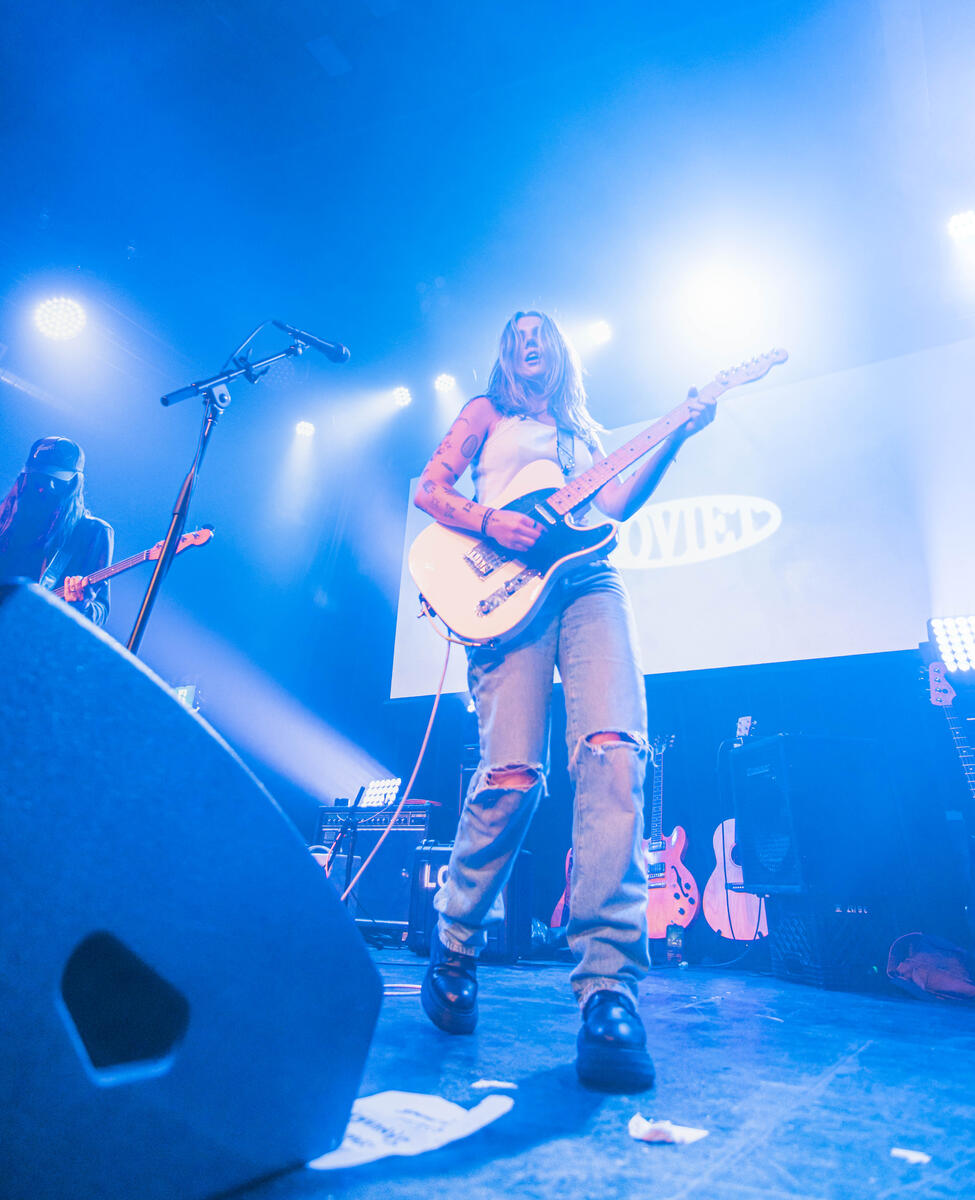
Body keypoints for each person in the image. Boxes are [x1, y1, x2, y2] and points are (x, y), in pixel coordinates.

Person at [413, 310, 715, 1092]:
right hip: (504, 591)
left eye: (539, 332)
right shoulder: (485, 416)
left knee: (614, 753)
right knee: (512, 777)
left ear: (558, 350)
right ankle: (453, 943)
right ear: (505, 355)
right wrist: (489, 520)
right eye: (514, 335)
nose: (527, 341)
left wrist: (676, 431)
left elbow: (613, 509)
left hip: (587, 581)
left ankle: (608, 987)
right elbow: (428, 489)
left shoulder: (586, 430)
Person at [0, 437, 114, 627]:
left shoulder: (90, 533)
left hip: (33, 641)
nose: (44, 488)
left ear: (74, 484)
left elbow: (100, 612)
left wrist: (82, 605)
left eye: (56, 482)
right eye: (38, 479)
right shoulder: (5, 520)